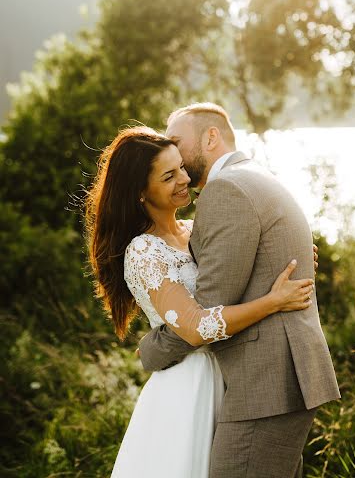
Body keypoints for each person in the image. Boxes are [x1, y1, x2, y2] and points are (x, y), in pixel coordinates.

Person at [85, 125, 317, 478]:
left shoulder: (196, 229)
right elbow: (196, 328)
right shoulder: (144, 251)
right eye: (169, 176)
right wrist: (273, 302)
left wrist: (292, 256)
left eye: (181, 166)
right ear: (140, 193)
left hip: (232, 375)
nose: (184, 178)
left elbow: (245, 274)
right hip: (187, 387)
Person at [138, 103, 341, 478]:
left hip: (266, 382)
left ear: (210, 137)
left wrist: (152, 348)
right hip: (279, 375)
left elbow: (207, 309)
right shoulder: (256, 177)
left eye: (177, 142)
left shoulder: (226, 189)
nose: (173, 153)